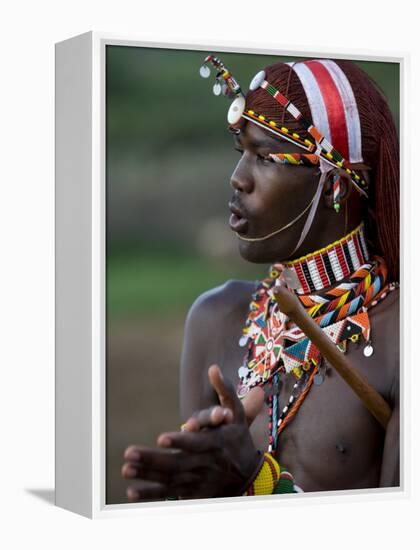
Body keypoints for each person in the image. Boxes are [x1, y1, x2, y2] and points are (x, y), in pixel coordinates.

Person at [121, 56, 400, 500]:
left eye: (266, 158)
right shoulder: (215, 317)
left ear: (336, 186)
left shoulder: (401, 338)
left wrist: (256, 482)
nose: (238, 179)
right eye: (241, 154)